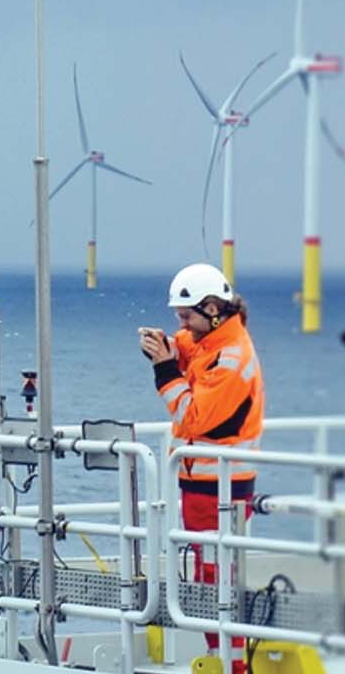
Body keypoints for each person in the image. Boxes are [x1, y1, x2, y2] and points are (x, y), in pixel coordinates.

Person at [140, 262, 264, 667]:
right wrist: (167, 346)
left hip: (221, 488)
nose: (182, 325)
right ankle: (221, 655)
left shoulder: (230, 357)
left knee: (217, 580)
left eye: (186, 316)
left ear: (212, 308)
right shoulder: (212, 342)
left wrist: (164, 370)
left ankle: (230, 661)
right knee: (210, 577)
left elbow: (193, 418)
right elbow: (187, 348)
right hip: (205, 486)